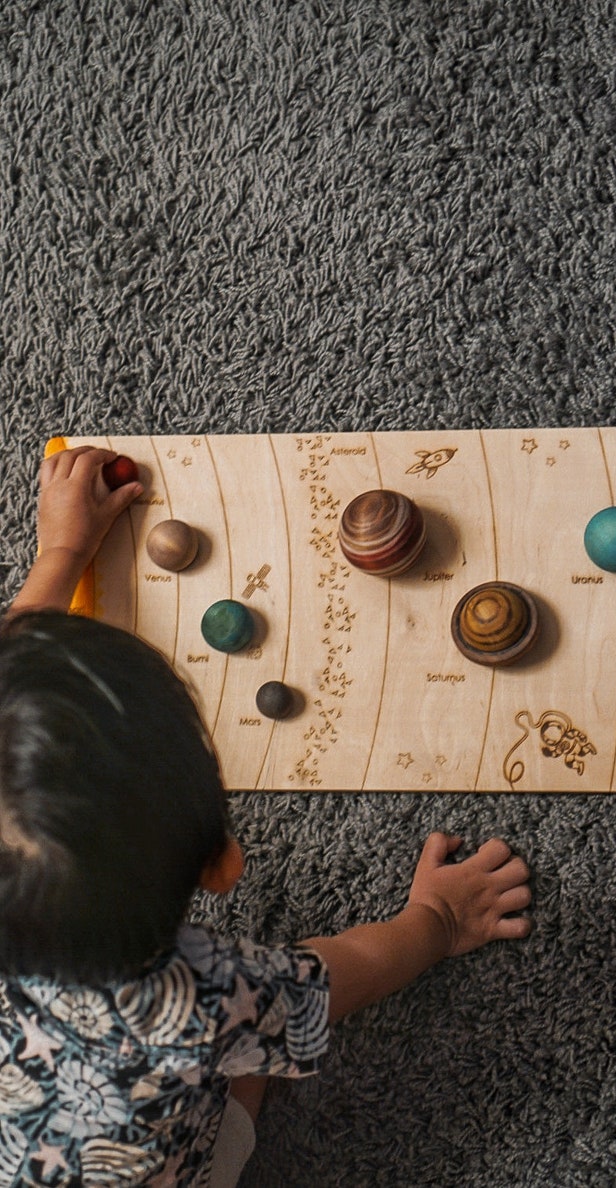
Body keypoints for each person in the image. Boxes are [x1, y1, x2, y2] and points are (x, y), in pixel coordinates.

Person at [0, 446, 532, 1186]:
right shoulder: (204, 997)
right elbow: (342, 976)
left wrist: (64, 550)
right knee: (249, 1064)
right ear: (224, 864)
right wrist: (437, 920)